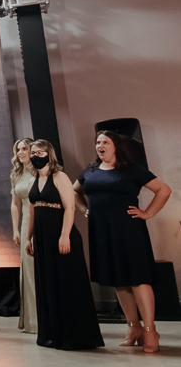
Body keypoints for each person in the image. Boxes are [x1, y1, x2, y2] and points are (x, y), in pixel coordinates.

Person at [73, 130, 172, 353]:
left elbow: (164, 190)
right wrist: (84, 210)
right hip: (102, 231)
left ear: (115, 145)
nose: (100, 145)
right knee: (119, 280)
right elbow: (74, 192)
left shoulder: (131, 169)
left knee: (138, 278)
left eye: (105, 142)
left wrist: (147, 213)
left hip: (129, 230)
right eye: (97, 142)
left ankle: (150, 331)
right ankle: (133, 328)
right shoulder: (90, 170)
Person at [26, 139, 103, 350]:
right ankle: (52, 334)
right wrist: (28, 237)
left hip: (61, 235)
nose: (36, 155)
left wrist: (64, 235)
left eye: (40, 152)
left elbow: (69, 208)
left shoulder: (60, 177)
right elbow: (32, 210)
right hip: (41, 238)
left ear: (49, 154)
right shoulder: (35, 178)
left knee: (66, 283)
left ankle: (75, 336)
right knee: (48, 283)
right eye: (33, 152)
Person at [10, 138, 37, 334]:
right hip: (25, 220)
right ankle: (33, 320)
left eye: (24, 149)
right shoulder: (16, 174)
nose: (20, 152)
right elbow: (15, 203)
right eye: (18, 149)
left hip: (42, 220)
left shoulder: (42, 171)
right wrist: (16, 229)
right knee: (28, 270)